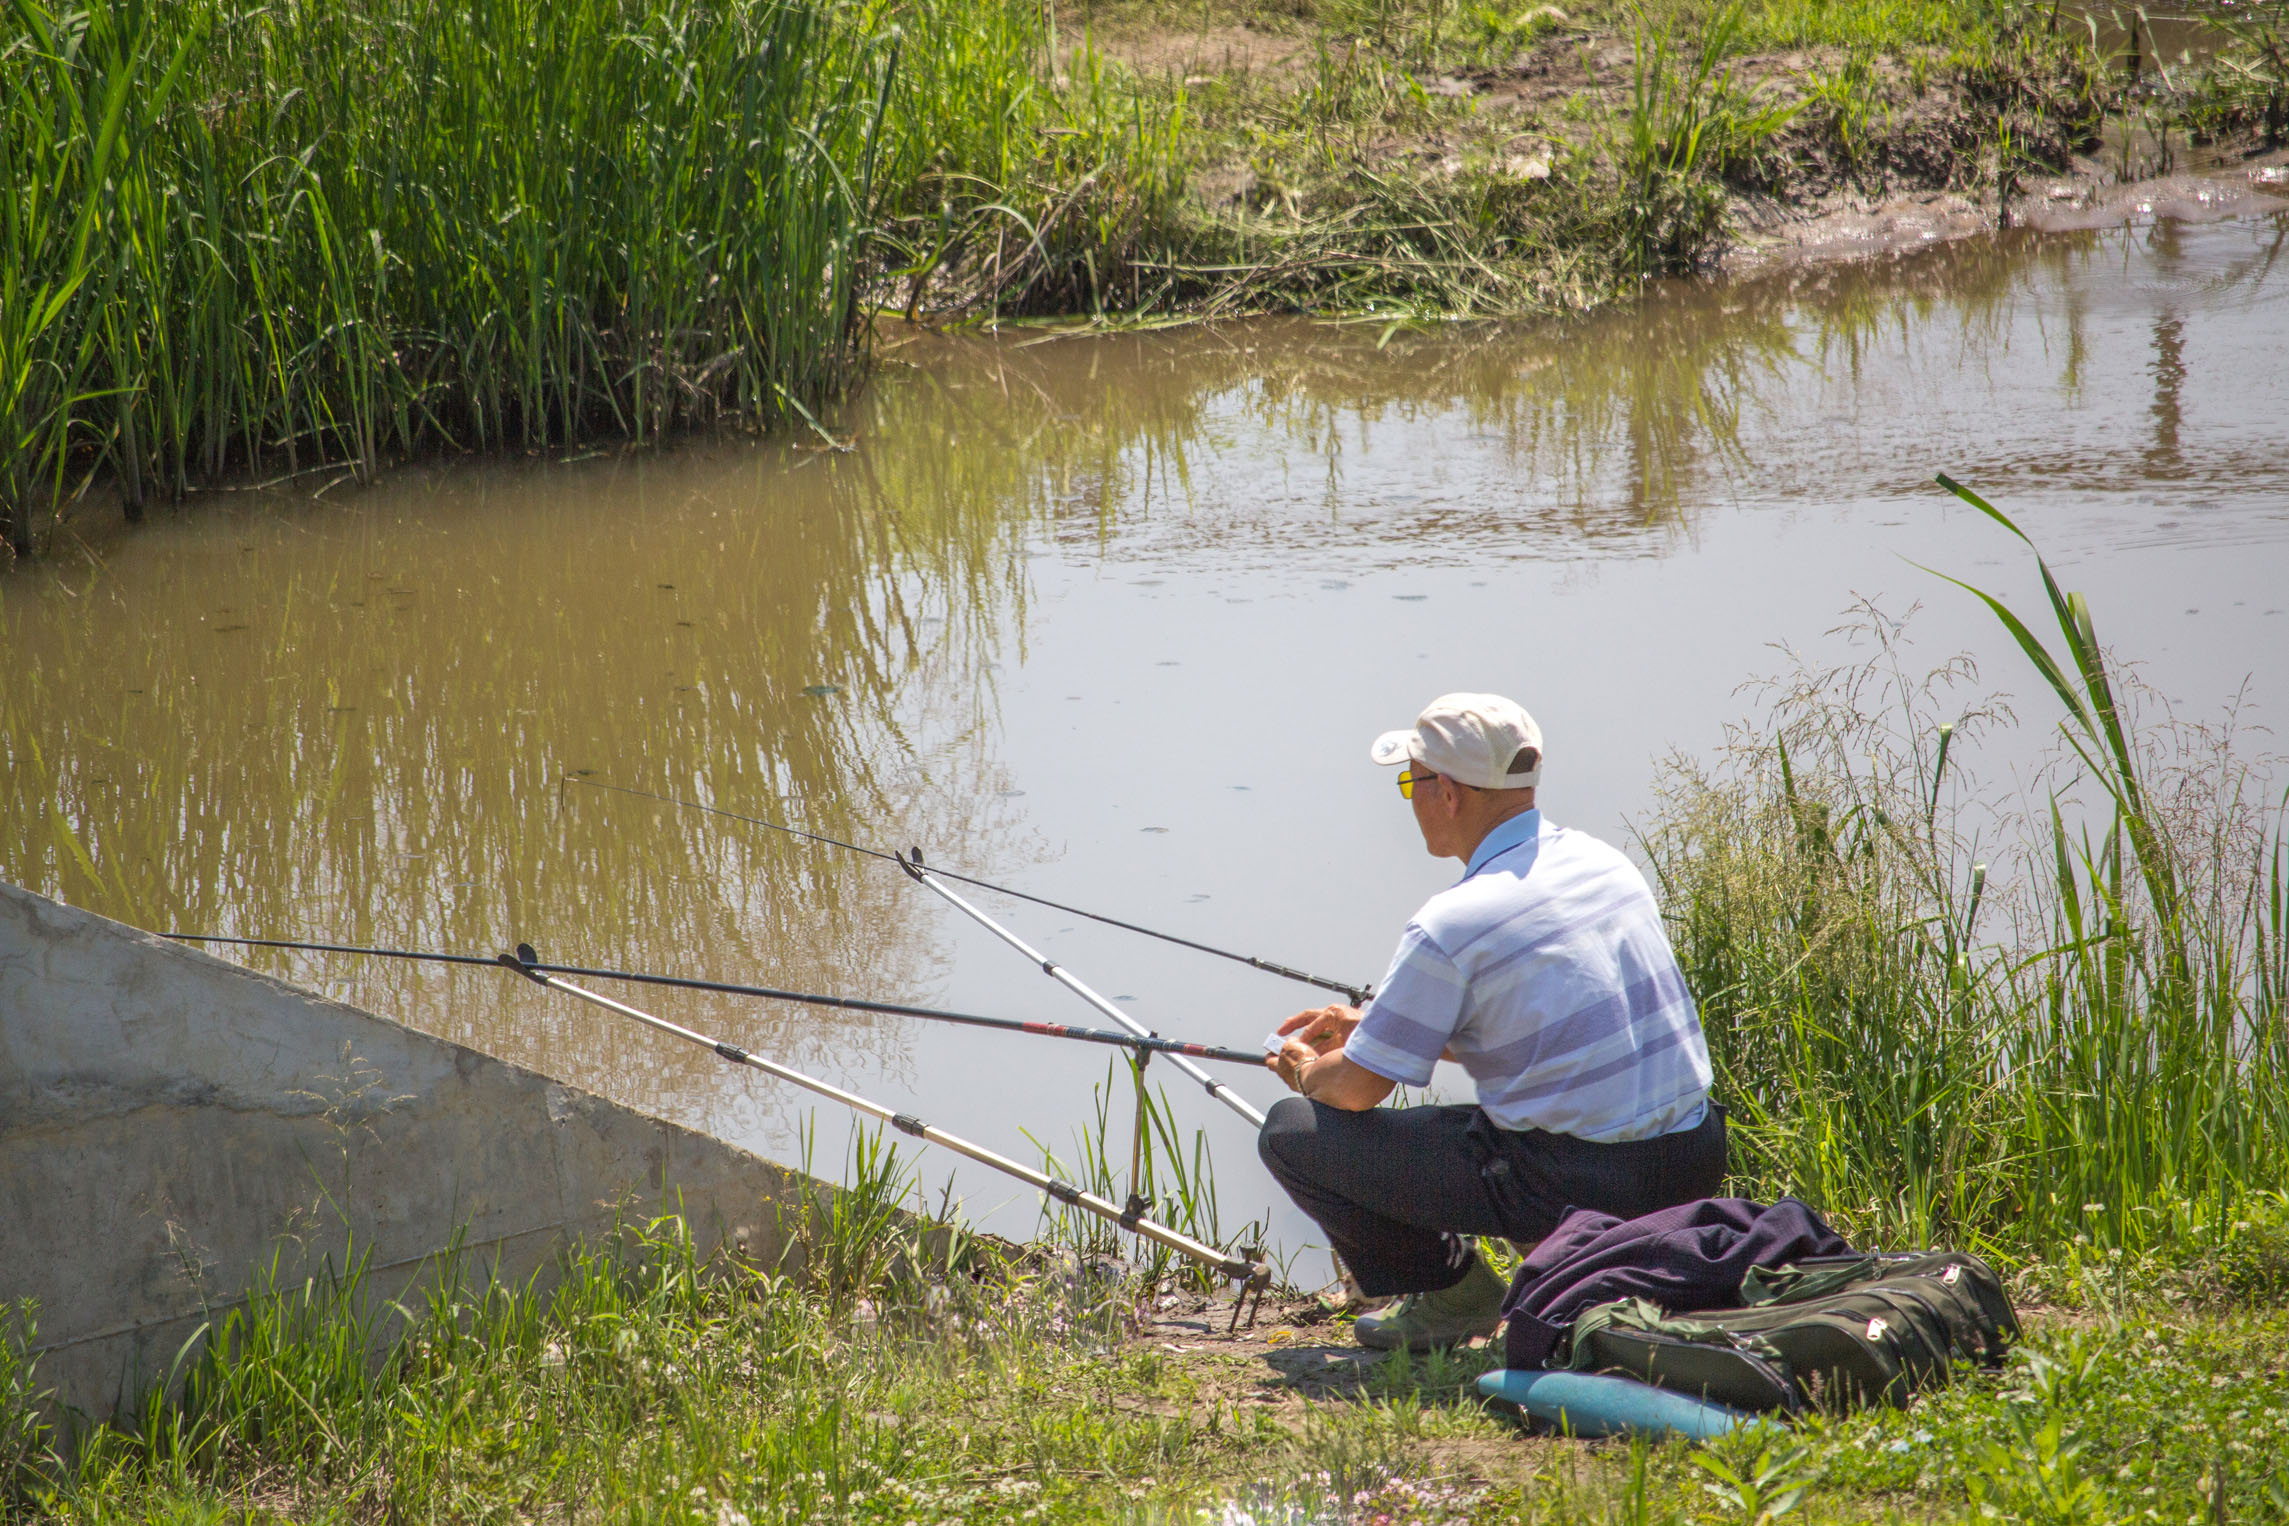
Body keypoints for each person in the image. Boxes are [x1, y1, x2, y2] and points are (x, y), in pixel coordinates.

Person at [1259, 693, 1725, 1352]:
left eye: (1408, 783)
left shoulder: (1451, 923)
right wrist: (1378, 1024)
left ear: (1446, 793)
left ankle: (1455, 1297)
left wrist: (1304, 1071)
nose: (1410, 798)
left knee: (1292, 1133)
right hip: (1689, 1158)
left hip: (1581, 1179)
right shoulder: (1602, 865)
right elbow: (1543, 1027)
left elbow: (1353, 1091)